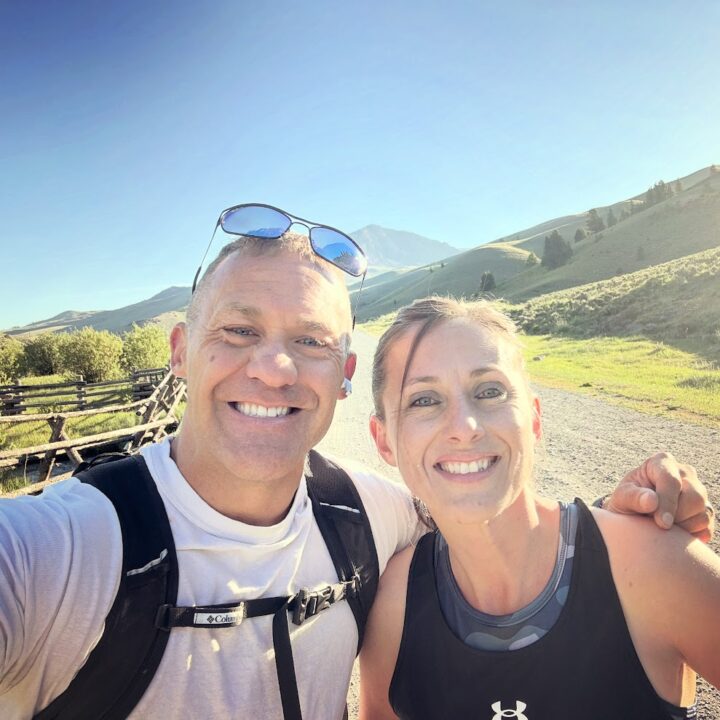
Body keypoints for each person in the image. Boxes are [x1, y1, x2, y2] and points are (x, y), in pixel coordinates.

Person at [0, 207, 713, 720]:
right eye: (240, 329)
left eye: (310, 342)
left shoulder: (371, 518)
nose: (275, 368)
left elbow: (492, 505)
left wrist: (631, 522)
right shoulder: (59, 550)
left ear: (343, 374)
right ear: (181, 350)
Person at [360, 297, 720, 720]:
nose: (464, 428)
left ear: (533, 419)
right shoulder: (394, 605)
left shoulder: (651, 565)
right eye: (424, 400)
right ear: (383, 439)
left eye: (489, 391)